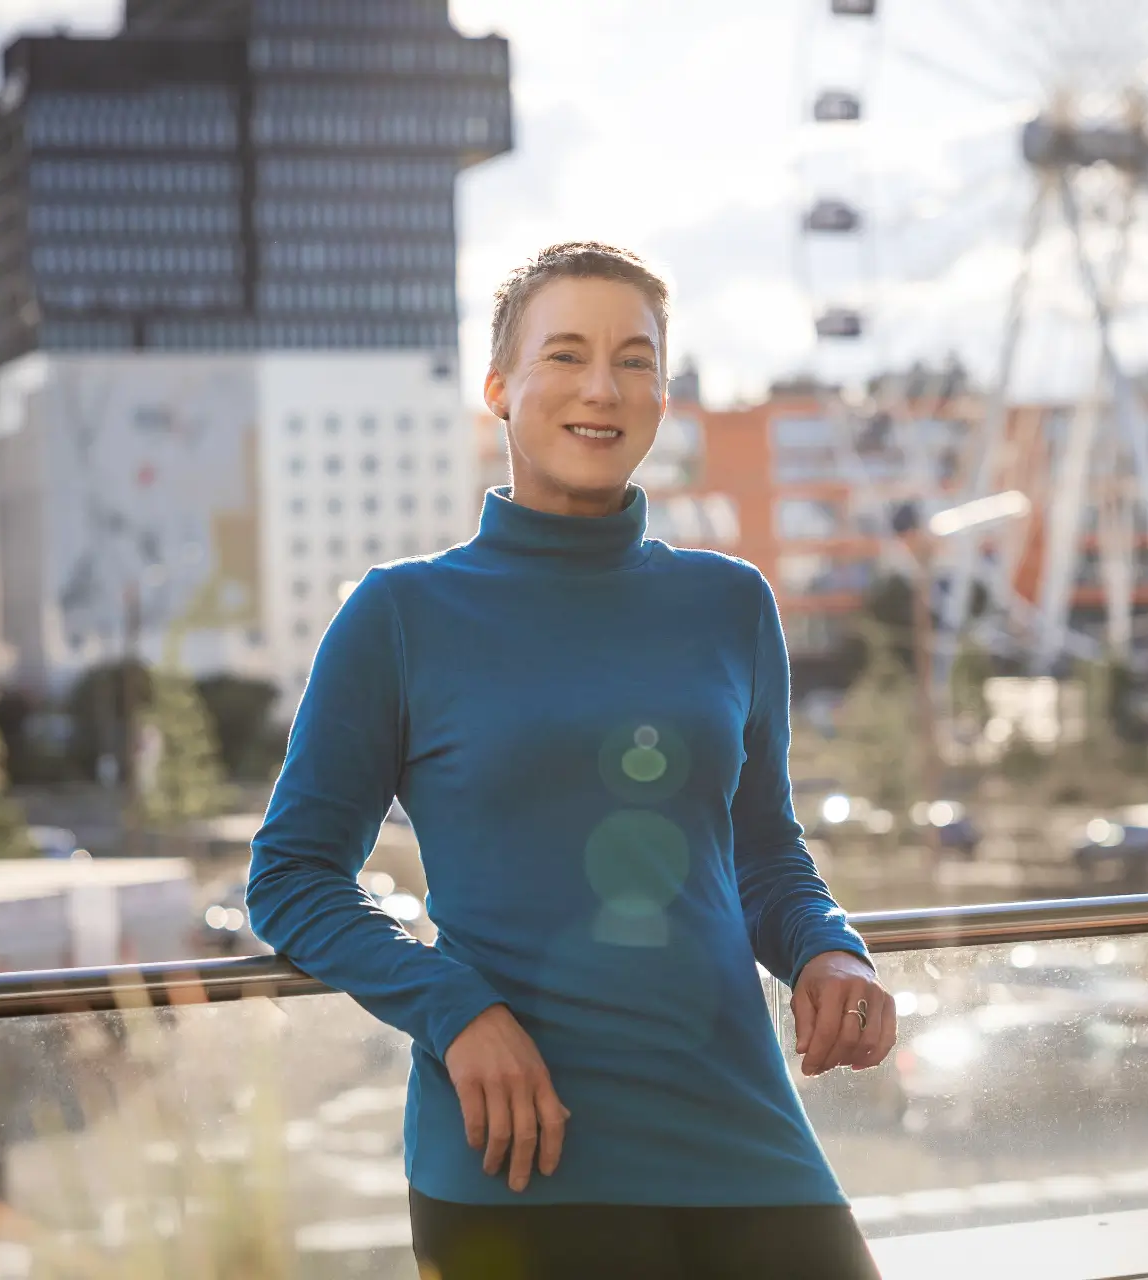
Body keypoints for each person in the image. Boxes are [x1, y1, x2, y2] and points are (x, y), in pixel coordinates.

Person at [248, 242, 892, 1279]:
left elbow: (763, 852)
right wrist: (454, 1007)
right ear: (500, 387)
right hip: (516, 1155)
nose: (604, 387)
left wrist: (829, 947)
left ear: (663, 396)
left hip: (742, 1129)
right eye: (569, 354)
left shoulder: (731, 603)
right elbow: (290, 876)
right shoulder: (400, 614)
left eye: (636, 360)